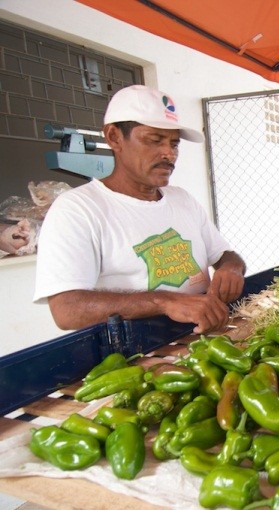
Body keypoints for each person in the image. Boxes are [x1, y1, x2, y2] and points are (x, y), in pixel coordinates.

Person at [33, 85, 246, 335]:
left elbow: (226, 255)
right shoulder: (78, 209)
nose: (169, 153)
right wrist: (165, 301)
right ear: (114, 137)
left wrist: (231, 268)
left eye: (174, 144)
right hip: (138, 356)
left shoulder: (182, 200)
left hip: (205, 341)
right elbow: (67, 310)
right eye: (154, 140)